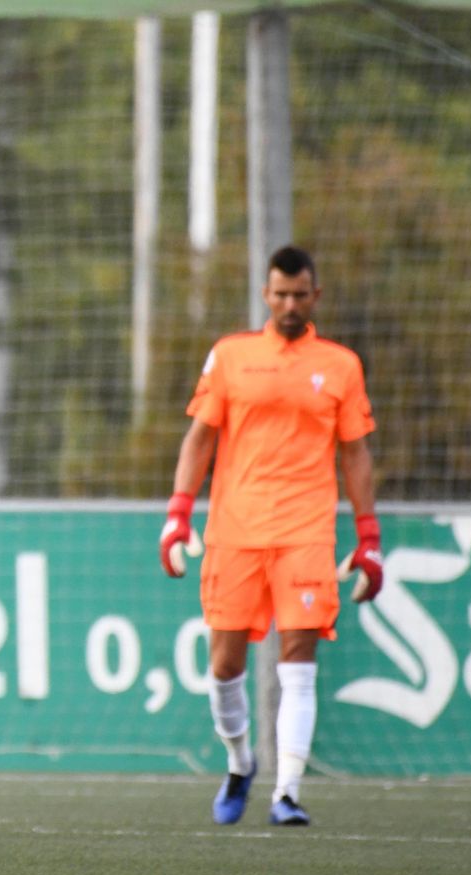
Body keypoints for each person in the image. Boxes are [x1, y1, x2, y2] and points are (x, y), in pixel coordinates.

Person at [159, 244, 381, 828]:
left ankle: (287, 791)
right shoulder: (231, 357)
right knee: (225, 663)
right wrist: (178, 514)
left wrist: (369, 534)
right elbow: (200, 440)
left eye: (298, 294)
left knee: (298, 658)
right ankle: (239, 762)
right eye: (279, 294)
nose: (288, 303)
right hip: (235, 530)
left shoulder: (340, 365)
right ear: (266, 294)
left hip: (307, 531)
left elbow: (355, 454)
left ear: (315, 296)